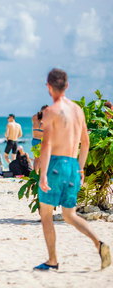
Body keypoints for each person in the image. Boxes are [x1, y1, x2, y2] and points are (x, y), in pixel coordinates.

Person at [35, 68, 110, 270]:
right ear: (67, 86)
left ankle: (52, 261)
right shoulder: (78, 111)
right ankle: (99, 243)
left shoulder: (50, 112)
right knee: (70, 215)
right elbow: (85, 143)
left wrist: (43, 173)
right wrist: (81, 169)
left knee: (46, 215)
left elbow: (47, 144)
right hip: (73, 166)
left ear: (49, 87)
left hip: (56, 166)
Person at [32, 105, 48, 172]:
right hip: (40, 141)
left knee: (36, 159)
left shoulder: (34, 119)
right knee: (42, 159)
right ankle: (41, 173)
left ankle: (36, 172)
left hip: (34, 140)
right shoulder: (43, 121)